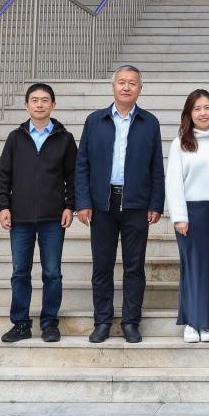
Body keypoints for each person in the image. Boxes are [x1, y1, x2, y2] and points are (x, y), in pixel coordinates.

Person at [75, 65, 164, 344]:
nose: (126, 87)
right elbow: (82, 164)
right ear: (113, 86)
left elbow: (156, 167)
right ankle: (102, 321)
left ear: (140, 89)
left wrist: (156, 203)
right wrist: (83, 201)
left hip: (136, 204)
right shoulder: (95, 121)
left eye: (132, 83)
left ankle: (130, 322)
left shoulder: (149, 122)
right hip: (102, 204)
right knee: (102, 266)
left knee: (134, 267)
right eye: (122, 82)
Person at [0, 83, 77, 343]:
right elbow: (4, 175)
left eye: (44, 100)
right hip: (20, 218)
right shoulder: (15, 138)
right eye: (34, 100)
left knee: (52, 272)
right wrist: (3, 206)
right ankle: (21, 324)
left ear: (53, 104)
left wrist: (70, 206)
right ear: (26, 105)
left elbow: (73, 176)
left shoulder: (64, 138)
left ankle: (49, 323)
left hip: (53, 218)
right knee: (20, 271)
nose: (39, 104)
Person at [165, 89, 209, 343]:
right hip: (192, 214)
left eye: (207, 107)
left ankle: (208, 323)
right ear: (189, 113)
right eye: (197, 109)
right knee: (194, 267)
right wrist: (179, 217)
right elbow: (173, 182)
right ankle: (192, 322)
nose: (203, 113)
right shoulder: (180, 143)